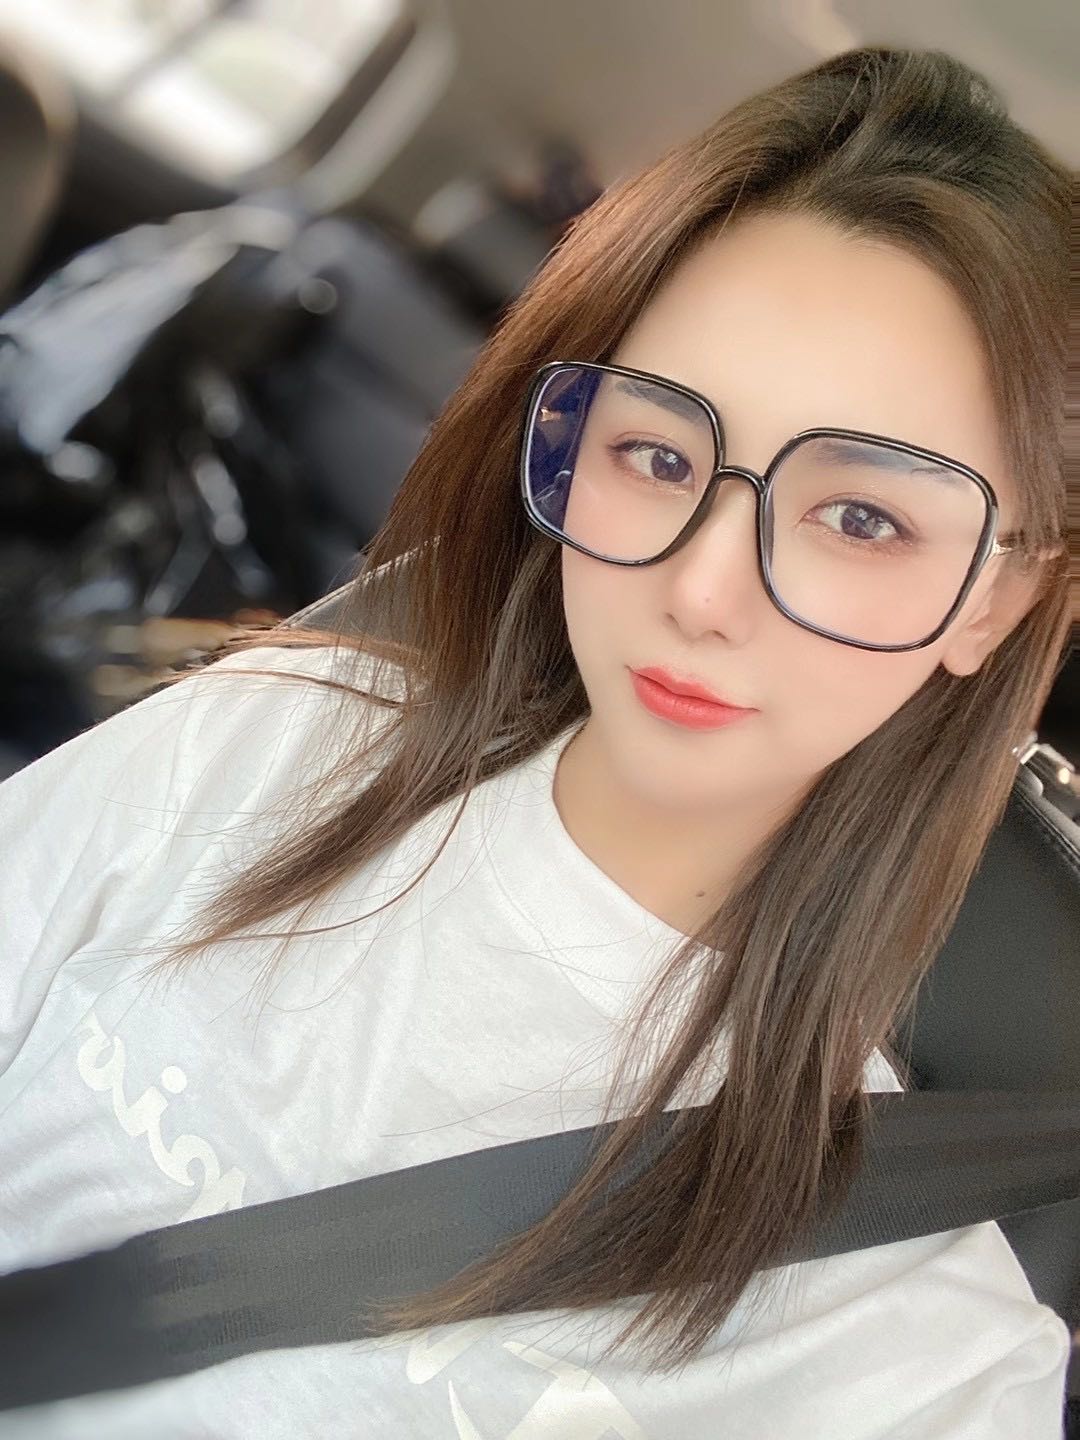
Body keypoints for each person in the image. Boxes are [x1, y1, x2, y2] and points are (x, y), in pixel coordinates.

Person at [0, 44, 1074, 1440]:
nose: (701, 589)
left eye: (861, 518)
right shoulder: (270, 740)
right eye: (658, 456)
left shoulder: (913, 1344)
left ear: (994, 601)